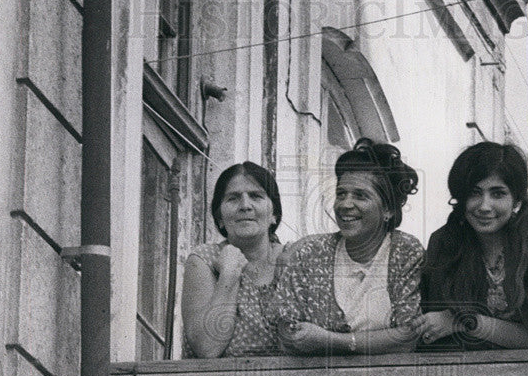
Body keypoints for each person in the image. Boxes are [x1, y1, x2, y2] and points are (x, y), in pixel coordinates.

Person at [414, 142, 528, 349]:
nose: (484, 206)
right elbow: (434, 335)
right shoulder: (445, 243)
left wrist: (464, 322)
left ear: (516, 200)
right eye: (474, 193)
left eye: (498, 194)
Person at [272, 138, 423, 355]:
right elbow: (287, 334)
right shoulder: (310, 253)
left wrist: (331, 341)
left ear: (388, 209)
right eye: (341, 194)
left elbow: (408, 337)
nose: (345, 204)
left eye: (360, 195)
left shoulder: (406, 252)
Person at [181, 162, 288, 357]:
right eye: (233, 198)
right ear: (220, 217)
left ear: (274, 214)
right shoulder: (203, 260)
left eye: (256, 196)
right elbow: (207, 349)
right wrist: (229, 275)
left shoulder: (293, 260)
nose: (245, 206)